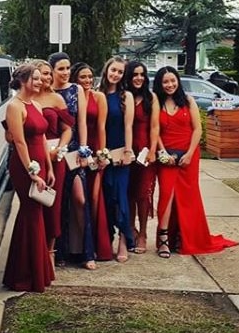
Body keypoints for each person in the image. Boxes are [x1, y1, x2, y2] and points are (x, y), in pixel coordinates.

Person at [152, 66, 238, 258]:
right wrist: (162, 152)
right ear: (160, 83)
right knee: (167, 194)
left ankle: (185, 236)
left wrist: (190, 153)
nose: (169, 85)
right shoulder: (156, 101)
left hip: (188, 155)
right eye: (165, 81)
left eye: (172, 80)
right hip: (167, 157)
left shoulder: (188, 101)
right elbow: (155, 130)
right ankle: (164, 238)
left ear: (178, 81)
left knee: (187, 197)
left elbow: (197, 130)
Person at [2, 64, 55, 292]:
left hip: (41, 163)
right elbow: (19, 141)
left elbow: (42, 139)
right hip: (25, 166)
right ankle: (25, 276)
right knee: (31, 213)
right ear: (23, 81)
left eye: (40, 78)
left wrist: (49, 168)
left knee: (35, 214)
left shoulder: (36, 104)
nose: (40, 82)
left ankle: (32, 272)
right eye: (35, 78)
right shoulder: (14, 106)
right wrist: (33, 173)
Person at [48, 52, 97, 270]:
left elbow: (82, 122)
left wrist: (85, 150)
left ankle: (86, 252)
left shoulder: (76, 89)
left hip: (75, 150)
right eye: (61, 68)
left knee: (80, 199)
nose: (66, 72)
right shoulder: (46, 91)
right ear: (52, 70)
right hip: (54, 151)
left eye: (68, 68)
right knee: (58, 202)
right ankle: (60, 251)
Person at [31, 59, 74, 271]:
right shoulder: (25, 99)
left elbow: (68, 129)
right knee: (33, 205)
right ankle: (34, 252)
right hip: (33, 157)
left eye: (48, 73)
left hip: (56, 157)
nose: (46, 78)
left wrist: (60, 149)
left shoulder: (56, 99)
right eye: (41, 74)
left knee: (52, 205)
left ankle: (50, 251)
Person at [70, 62, 113, 261]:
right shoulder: (72, 97)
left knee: (95, 198)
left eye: (89, 77)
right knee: (78, 199)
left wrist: (102, 154)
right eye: (82, 77)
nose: (87, 81)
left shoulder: (99, 97)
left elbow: (102, 127)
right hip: (75, 151)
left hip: (95, 150)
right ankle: (78, 247)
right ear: (75, 79)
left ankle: (96, 243)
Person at [98, 56, 135, 263]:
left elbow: (128, 126)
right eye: (113, 70)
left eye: (120, 72)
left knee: (120, 197)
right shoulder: (97, 93)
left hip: (120, 152)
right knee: (106, 199)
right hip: (102, 154)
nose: (116, 74)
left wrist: (128, 151)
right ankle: (106, 240)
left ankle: (123, 241)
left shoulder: (125, 96)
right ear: (107, 70)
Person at [124, 61, 160, 254]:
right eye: (135, 74)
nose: (139, 78)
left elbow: (155, 127)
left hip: (145, 151)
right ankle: (130, 229)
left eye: (142, 74)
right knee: (128, 193)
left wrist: (153, 150)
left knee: (143, 194)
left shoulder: (151, 98)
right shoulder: (125, 97)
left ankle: (143, 233)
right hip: (127, 151)